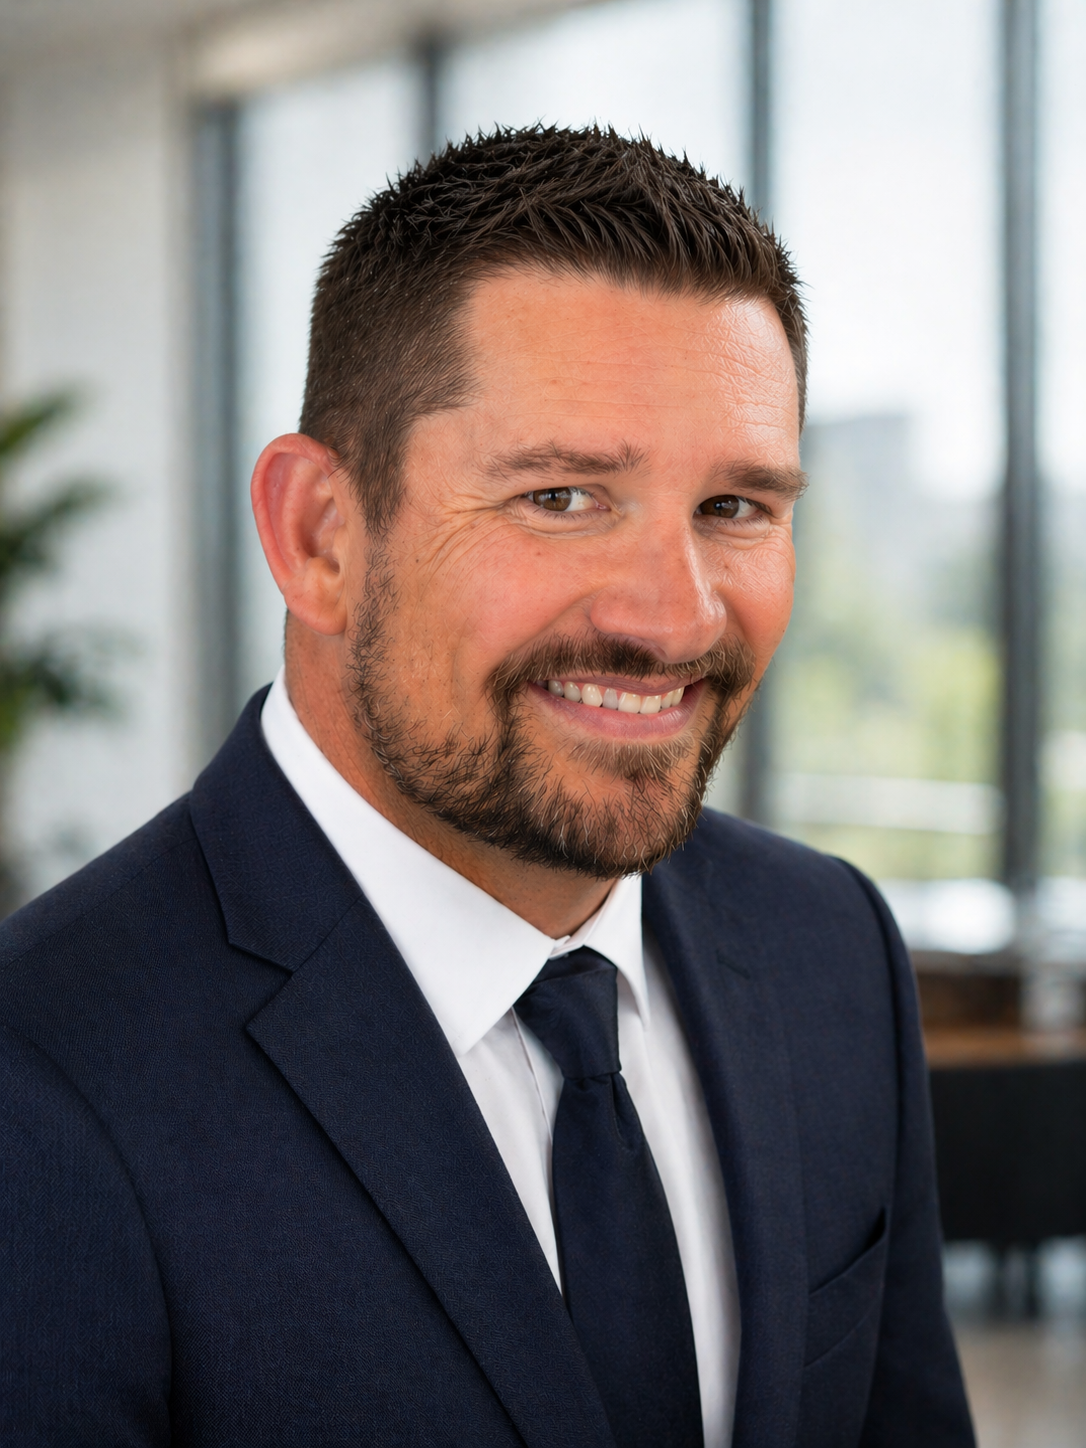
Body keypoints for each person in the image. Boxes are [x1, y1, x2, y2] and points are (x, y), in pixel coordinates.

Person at [0, 126, 973, 1448]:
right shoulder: (43, 1079)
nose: (672, 618)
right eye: (564, 495)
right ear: (319, 536)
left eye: (734, 507)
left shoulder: (828, 949)